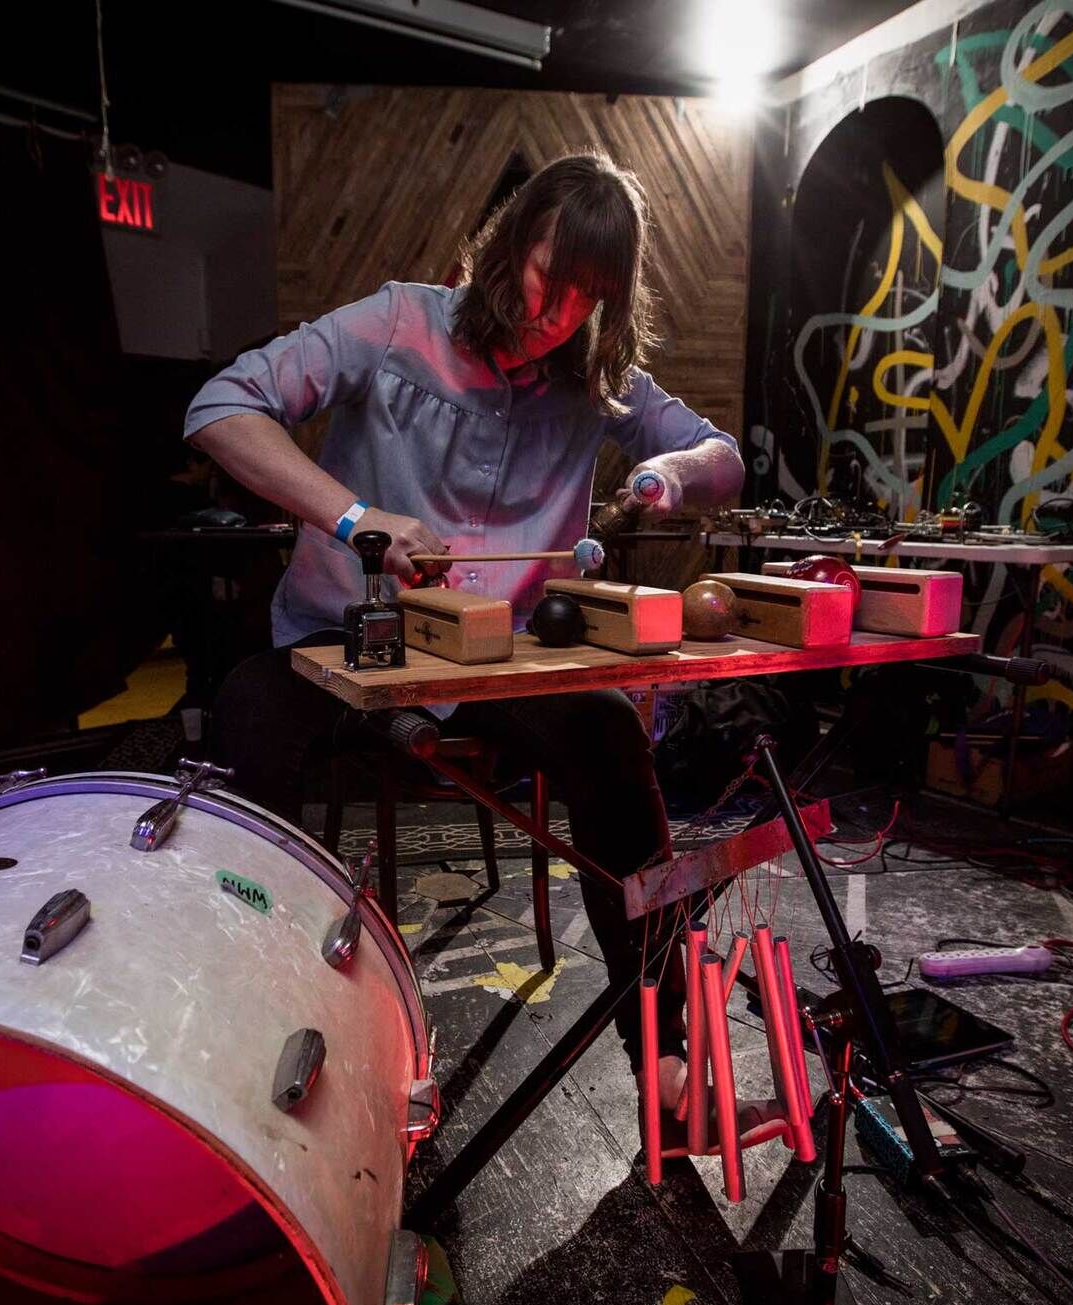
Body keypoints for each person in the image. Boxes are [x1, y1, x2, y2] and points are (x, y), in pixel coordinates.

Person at [183, 151, 743, 1123]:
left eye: (587, 297)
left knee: (611, 737)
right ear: (505, 247)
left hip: (490, 662)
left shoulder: (595, 381)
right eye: (545, 278)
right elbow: (219, 406)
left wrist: (672, 476)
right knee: (245, 718)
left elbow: (721, 457)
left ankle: (662, 1050)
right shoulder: (399, 322)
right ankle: (241, 1029)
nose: (557, 314)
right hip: (337, 644)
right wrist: (357, 518)